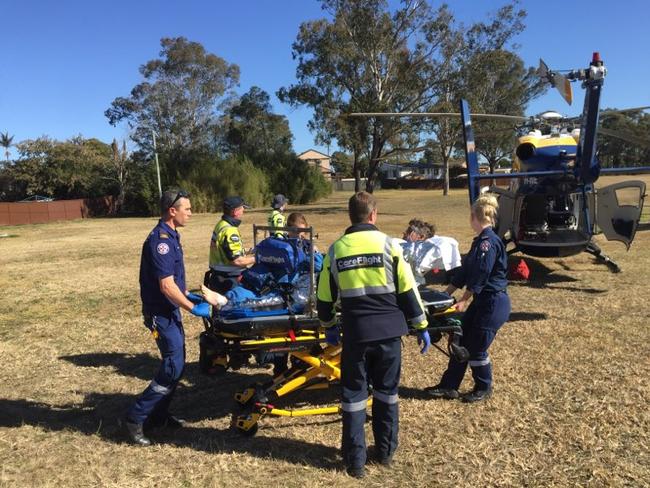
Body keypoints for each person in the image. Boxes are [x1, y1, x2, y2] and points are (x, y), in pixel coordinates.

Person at [317, 192, 431, 478]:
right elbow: (408, 291)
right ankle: (385, 452)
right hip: (389, 335)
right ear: (373, 215)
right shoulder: (390, 246)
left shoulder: (336, 250)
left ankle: (355, 463)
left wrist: (329, 326)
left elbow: (324, 297)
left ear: (351, 216)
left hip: (356, 335)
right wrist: (421, 326)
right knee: (387, 394)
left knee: (354, 397)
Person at [125, 189, 212, 446]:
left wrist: (189, 296)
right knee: (173, 366)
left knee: (178, 363)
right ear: (172, 211)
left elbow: (174, 282)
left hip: (170, 309)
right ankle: (135, 418)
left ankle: (159, 416)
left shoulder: (172, 236)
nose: (191, 213)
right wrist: (192, 308)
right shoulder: (160, 241)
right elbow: (165, 286)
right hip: (160, 314)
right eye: (187, 208)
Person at [426, 194, 510, 403]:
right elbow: (465, 272)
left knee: (476, 347)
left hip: (493, 302)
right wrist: (446, 293)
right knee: (460, 341)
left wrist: (463, 299)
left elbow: (481, 274)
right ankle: (449, 386)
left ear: (474, 216)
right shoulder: (479, 242)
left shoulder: (488, 243)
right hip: (483, 301)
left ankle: (484, 387)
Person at [208, 196, 256, 293]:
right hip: (230, 280)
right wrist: (257, 258)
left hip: (218, 277)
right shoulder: (230, 230)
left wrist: (251, 250)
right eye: (242, 208)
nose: (243, 211)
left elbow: (226, 250)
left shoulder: (221, 224)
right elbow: (237, 261)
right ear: (235, 212)